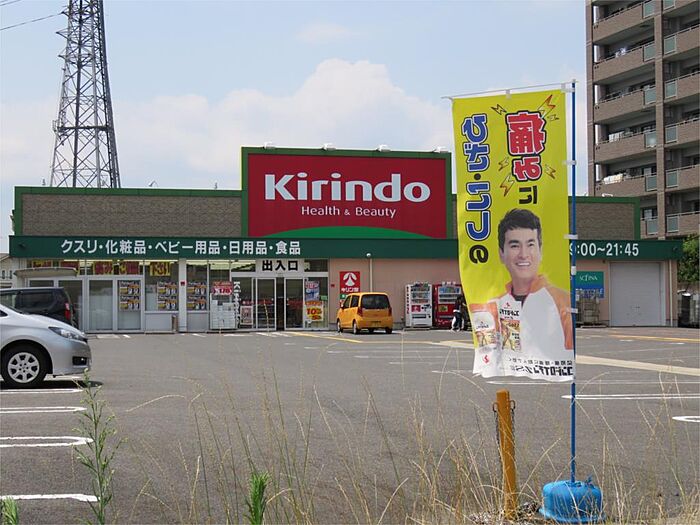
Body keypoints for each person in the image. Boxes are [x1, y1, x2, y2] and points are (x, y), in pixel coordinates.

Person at [470, 208, 573, 360]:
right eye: (515, 246)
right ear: (501, 253)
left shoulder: (563, 301)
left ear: (540, 250)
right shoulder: (493, 306)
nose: (524, 254)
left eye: (530, 245)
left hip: (547, 373)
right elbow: (487, 355)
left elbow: (568, 355)